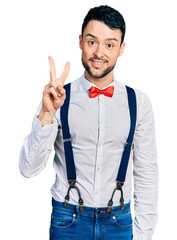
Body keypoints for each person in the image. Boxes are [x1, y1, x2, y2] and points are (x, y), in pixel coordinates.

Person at [19, 5, 158, 240]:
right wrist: (47, 114)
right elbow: (27, 169)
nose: (99, 53)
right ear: (81, 41)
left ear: (121, 49)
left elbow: (147, 174)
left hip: (119, 224)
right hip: (67, 221)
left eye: (110, 44)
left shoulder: (139, 103)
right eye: (92, 42)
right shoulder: (58, 98)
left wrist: (143, 235)